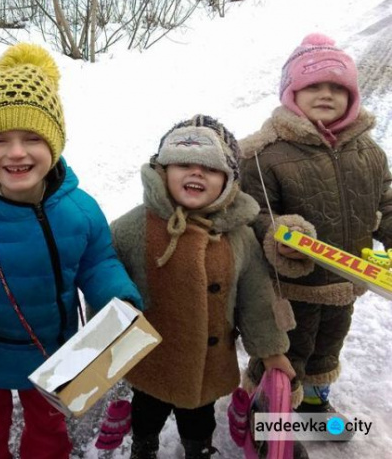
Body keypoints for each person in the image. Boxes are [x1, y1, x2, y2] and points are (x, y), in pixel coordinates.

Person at [0, 43, 144, 459]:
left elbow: (97, 262)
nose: (16, 152)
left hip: (55, 350)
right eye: (0, 139)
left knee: (49, 424)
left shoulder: (79, 210)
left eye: (32, 138)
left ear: (54, 143)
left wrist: (117, 299)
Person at [111, 115, 294, 459]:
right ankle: (144, 444)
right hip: (151, 356)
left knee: (198, 416)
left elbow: (256, 298)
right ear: (162, 170)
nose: (196, 173)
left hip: (208, 359)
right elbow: (105, 284)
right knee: (147, 410)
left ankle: (198, 448)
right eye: (183, 163)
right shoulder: (132, 228)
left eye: (210, 168)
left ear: (228, 181)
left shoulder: (238, 236)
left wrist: (271, 350)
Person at [239, 33, 392, 415]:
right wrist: (276, 237)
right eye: (313, 86)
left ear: (352, 96)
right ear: (291, 93)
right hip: (290, 287)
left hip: (347, 281)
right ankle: (265, 410)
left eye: (337, 87)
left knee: (327, 347)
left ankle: (311, 403)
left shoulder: (369, 152)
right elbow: (252, 214)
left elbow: (386, 201)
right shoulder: (267, 154)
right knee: (286, 350)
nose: (326, 94)